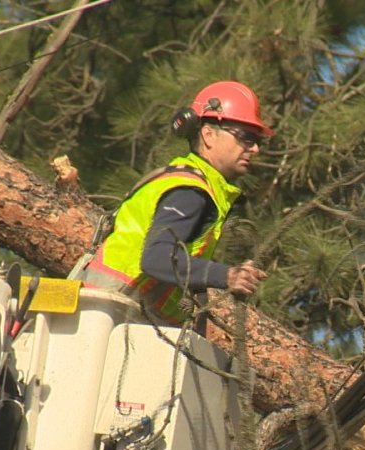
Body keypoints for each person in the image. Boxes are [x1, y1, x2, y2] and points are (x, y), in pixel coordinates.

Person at [77, 81, 270, 326]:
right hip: (106, 317)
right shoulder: (190, 191)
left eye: (258, 141)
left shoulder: (189, 182)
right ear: (208, 134)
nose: (254, 148)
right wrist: (228, 276)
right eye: (246, 136)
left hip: (114, 317)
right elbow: (156, 258)